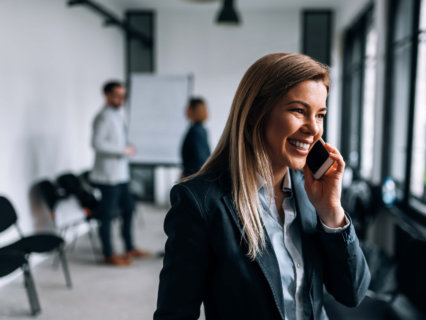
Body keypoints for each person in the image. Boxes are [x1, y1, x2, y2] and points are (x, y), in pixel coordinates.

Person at [153, 54, 370, 319]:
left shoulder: (311, 193)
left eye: (320, 114)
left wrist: (332, 212)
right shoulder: (201, 202)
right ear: (256, 113)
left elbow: (352, 293)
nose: (313, 129)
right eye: (298, 111)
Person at [90, 80, 149, 266]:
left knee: (129, 209)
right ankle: (108, 254)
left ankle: (129, 247)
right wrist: (123, 150)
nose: (121, 99)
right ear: (107, 95)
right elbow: (96, 144)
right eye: (117, 95)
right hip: (108, 177)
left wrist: (127, 147)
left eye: (123, 95)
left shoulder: (118, 114)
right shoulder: (102, 117)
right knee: (107, 216)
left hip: (121, 175)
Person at [181, 97, 211, 177]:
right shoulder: (201, 129)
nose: (185, 110)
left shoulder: (196, 131)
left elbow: (200, 160)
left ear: (193, 110)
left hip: (193, 178)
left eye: (188, 108)